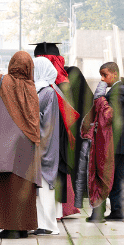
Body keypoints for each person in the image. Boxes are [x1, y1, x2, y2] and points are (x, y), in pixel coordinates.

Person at [0, 51, 42, 238]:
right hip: (27, 146)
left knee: (5, 185)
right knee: (23, 185)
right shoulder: (32, 88)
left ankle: (9, 227)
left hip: (2, 146)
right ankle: (22, 227)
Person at [33, 42, 89, 216]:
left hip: (57, 131)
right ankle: (62, 208)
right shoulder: (72, 74)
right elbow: (87, 104)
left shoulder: (43, 80)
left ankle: (55, 210)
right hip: (69, 131)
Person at [87, 62, 124, 222]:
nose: (102, 79)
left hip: (114, 141)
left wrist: (99, 98)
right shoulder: (117, 89)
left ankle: (103, 212)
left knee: (105, 176)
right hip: (117, 141)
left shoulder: (118, 90)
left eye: (105, 75)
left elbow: (109, 113)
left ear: (114, 74)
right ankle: (118, 211)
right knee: (116, 177)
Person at [31, 56, 64, 235]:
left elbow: (48, 122)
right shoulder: (38, 90)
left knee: (45, 187)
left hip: (45, 145)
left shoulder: (48, 92)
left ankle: (49, 225)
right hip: (38, 144)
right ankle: (41, 223)